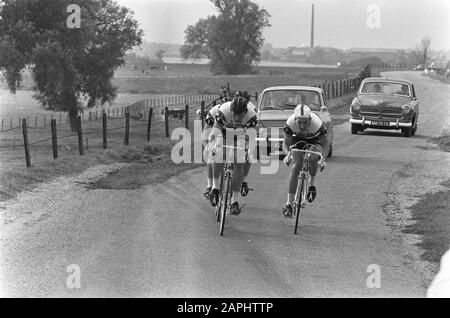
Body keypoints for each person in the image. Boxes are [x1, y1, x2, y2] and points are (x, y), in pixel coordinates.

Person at [208, 91, 258, 215]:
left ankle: (234, 201)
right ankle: (215, 188)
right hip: (223, 133)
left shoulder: (251, 115)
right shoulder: (224, 111)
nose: (236, 118)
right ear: (231, 110)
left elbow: (251, 139)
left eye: (239, 115)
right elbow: (214, 132)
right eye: (234, 114)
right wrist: (213, 146)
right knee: (219, 153)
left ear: (245, 112)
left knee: (239, 161)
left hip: (241, 135)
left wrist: (249, 152)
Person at [281, 104, 328, 218]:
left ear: (310, 119)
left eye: (305, 122)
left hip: (315, 141)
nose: (302, 126)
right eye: (300, 122)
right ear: (296, 119)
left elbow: (326, 144)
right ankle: (289, 204)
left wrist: (322, 159)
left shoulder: (317, 124)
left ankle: (311, 183)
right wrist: (287, 155)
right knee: (295, 166)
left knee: (312, 157)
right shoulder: (290, 123)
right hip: (297, 140)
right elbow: (285, 143)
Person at [201, 103, 222, 198]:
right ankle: (209, 186)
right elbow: (205, 133)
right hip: (215, 134)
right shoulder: (213, 112)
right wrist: (207, 147)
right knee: (211, 157)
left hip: (230, 133)